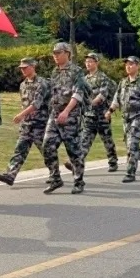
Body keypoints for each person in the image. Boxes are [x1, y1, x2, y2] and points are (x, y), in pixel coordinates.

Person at [41, 42, 89, 194]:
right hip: (55, 115)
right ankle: (55, 178)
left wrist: (67, 111)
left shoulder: (76, 71)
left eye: (58, 52)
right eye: (54, 53)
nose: (55, 55)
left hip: (70, 116)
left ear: (67, 53)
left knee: (73, 150)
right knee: (47, 146)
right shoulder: (55, 72)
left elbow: (78, 93)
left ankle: (79, 181)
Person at [0, 57, 51, 186]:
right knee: (19, 149)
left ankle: (55, 174)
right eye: (21, 68)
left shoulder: (42, 83)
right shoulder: (23, 85)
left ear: (33, 67)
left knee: (46, 151)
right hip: (27, 124)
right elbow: (24, 103)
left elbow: (36, 104)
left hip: (40, 124)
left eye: (25, 68)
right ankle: (10, 175)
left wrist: (21, 115)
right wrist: (23, 117)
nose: (23, 70)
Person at [106, 56, 140, 182]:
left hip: (139, 118)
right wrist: (110, 111)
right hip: (126, 119)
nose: (128, 66)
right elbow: (116, 99)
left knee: (132, 145)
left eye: (131, 64)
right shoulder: (123, 82)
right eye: (127, 64)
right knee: (130, 145)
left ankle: (130, 173)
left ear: (138, 66)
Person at [80, 52, 120, 171]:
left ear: (96, 63)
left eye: (90, 61)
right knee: (85, 141)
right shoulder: (84, 79)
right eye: (86, 61)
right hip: (89, 116)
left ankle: (113, 162)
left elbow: (102, 95)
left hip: (102, 115)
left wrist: (90, 103)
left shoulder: (103, 77)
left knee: (107, 140)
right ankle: (78, 163)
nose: (88, 64)